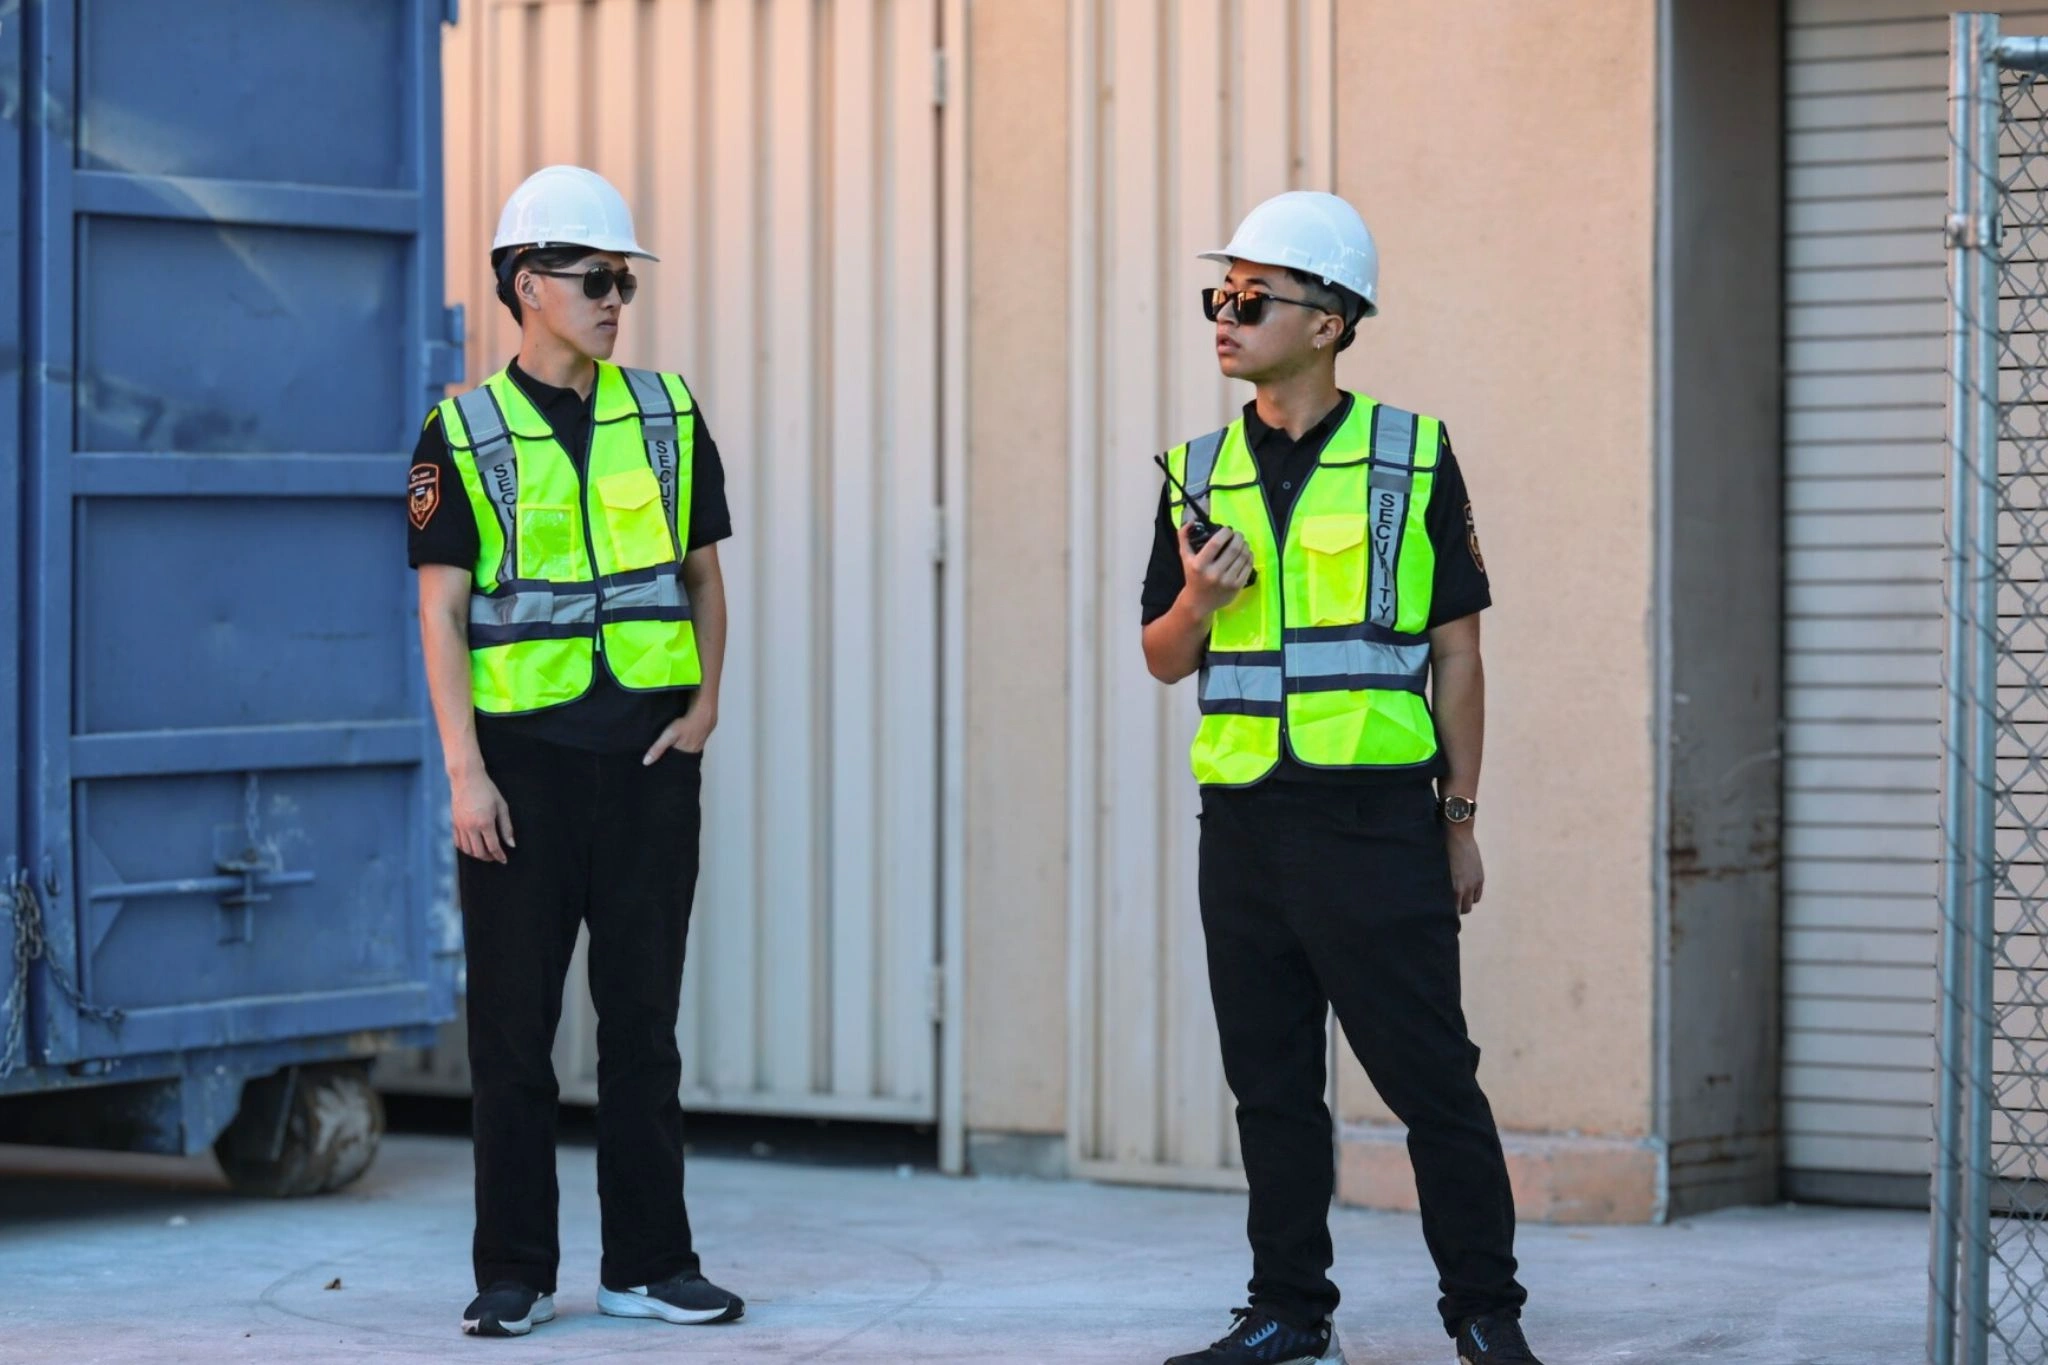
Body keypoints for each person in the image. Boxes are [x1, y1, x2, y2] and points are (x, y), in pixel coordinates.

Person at [1141, 191, 1543, 1365]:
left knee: (1432, 1086)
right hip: (1244, 826)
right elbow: (1161, 659)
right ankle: (1285, 1312)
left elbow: (1457, 653)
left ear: (1327, 322)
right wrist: (1196, 606)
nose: (1224, 313)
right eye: (1219, 295)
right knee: (1269, 1089)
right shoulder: (1192, 469)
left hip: (1374, 826)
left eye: (1250, 296)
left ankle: (1483, 1312)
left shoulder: (1412, 457)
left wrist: (1456, 821)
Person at [408, 164, 742, 1339]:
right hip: (522, 775)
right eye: (595, 278)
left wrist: (703, 711)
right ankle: (513, 1274)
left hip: (648, 765)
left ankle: (649, 1264)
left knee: (642, 1028)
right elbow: (441, 612)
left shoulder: (663, 412)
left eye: (624, 281)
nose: (615, 299)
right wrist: (464, 771)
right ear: (524, 283)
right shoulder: (462, 432)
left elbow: (702, 574)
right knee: (511, 1036)